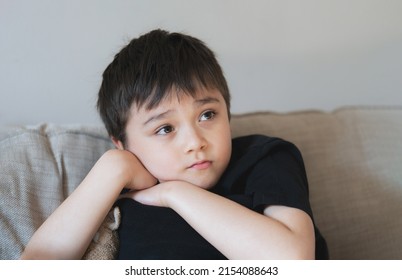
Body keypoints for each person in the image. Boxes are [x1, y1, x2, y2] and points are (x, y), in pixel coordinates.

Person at [21, 29, 328, 260]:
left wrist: (174, 193)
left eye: (207, 114)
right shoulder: (122, 190)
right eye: (165, 128)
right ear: (122, 143)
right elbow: (37, 265)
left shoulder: (265, 158)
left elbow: (292, 261)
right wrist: (115, 167)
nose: (195, 142)